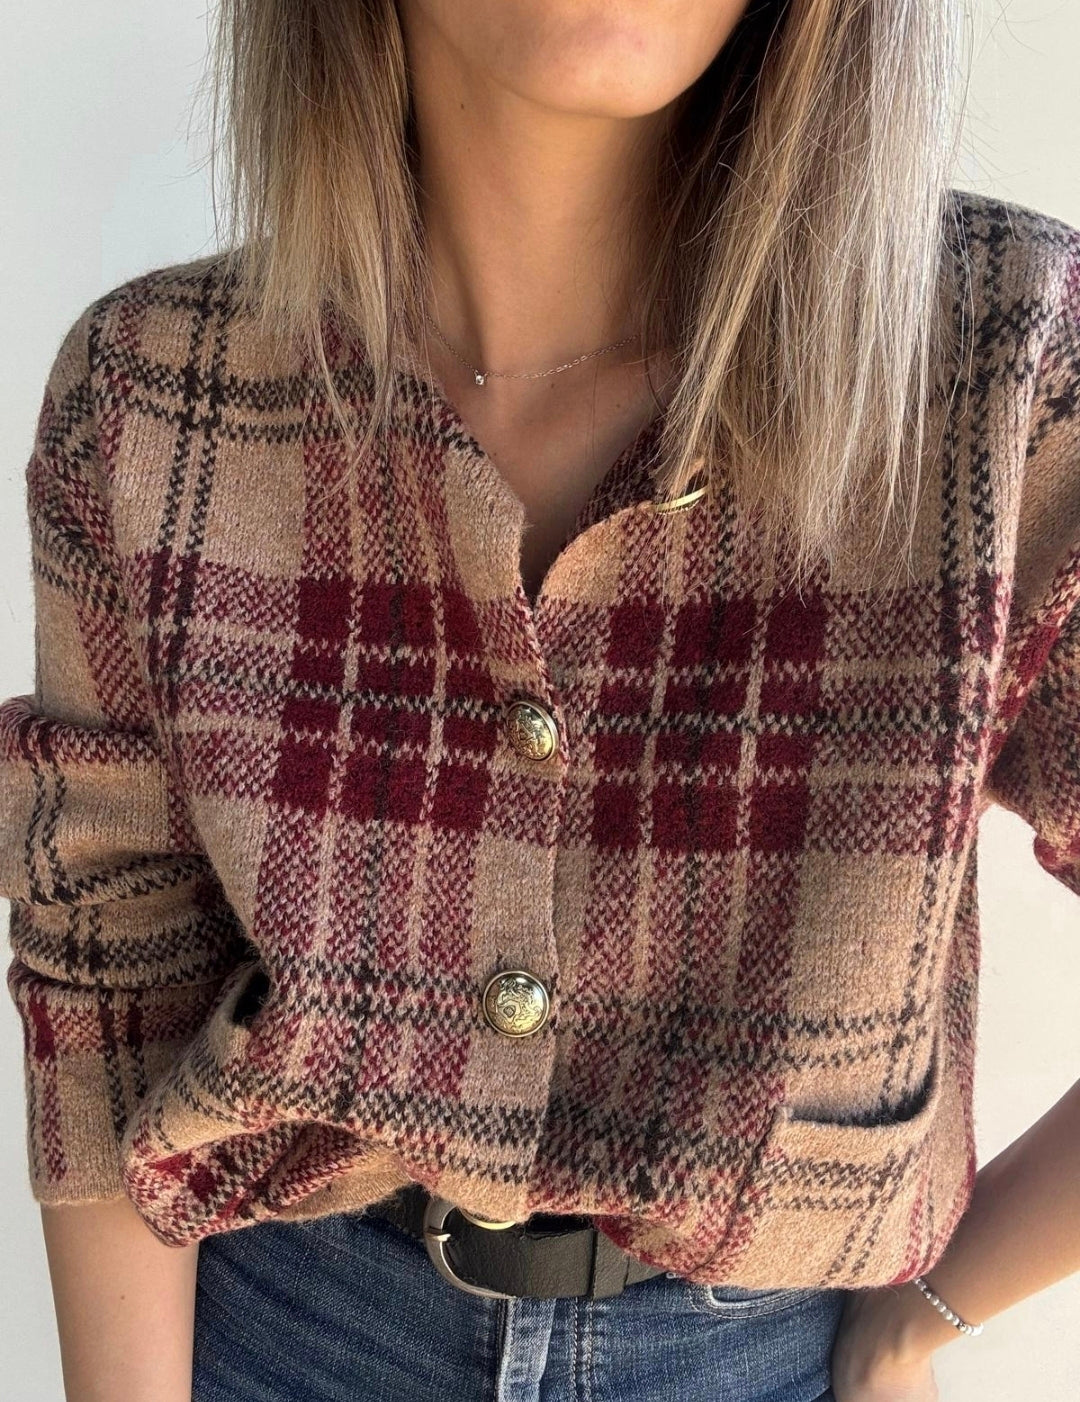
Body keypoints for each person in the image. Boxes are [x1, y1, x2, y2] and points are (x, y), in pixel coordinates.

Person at [2, 1, 1079, 1399]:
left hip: (759, 1354)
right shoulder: (154, 394)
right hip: (286, 1330)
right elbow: (109, 988)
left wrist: (930, 1311)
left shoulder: (999, 362)